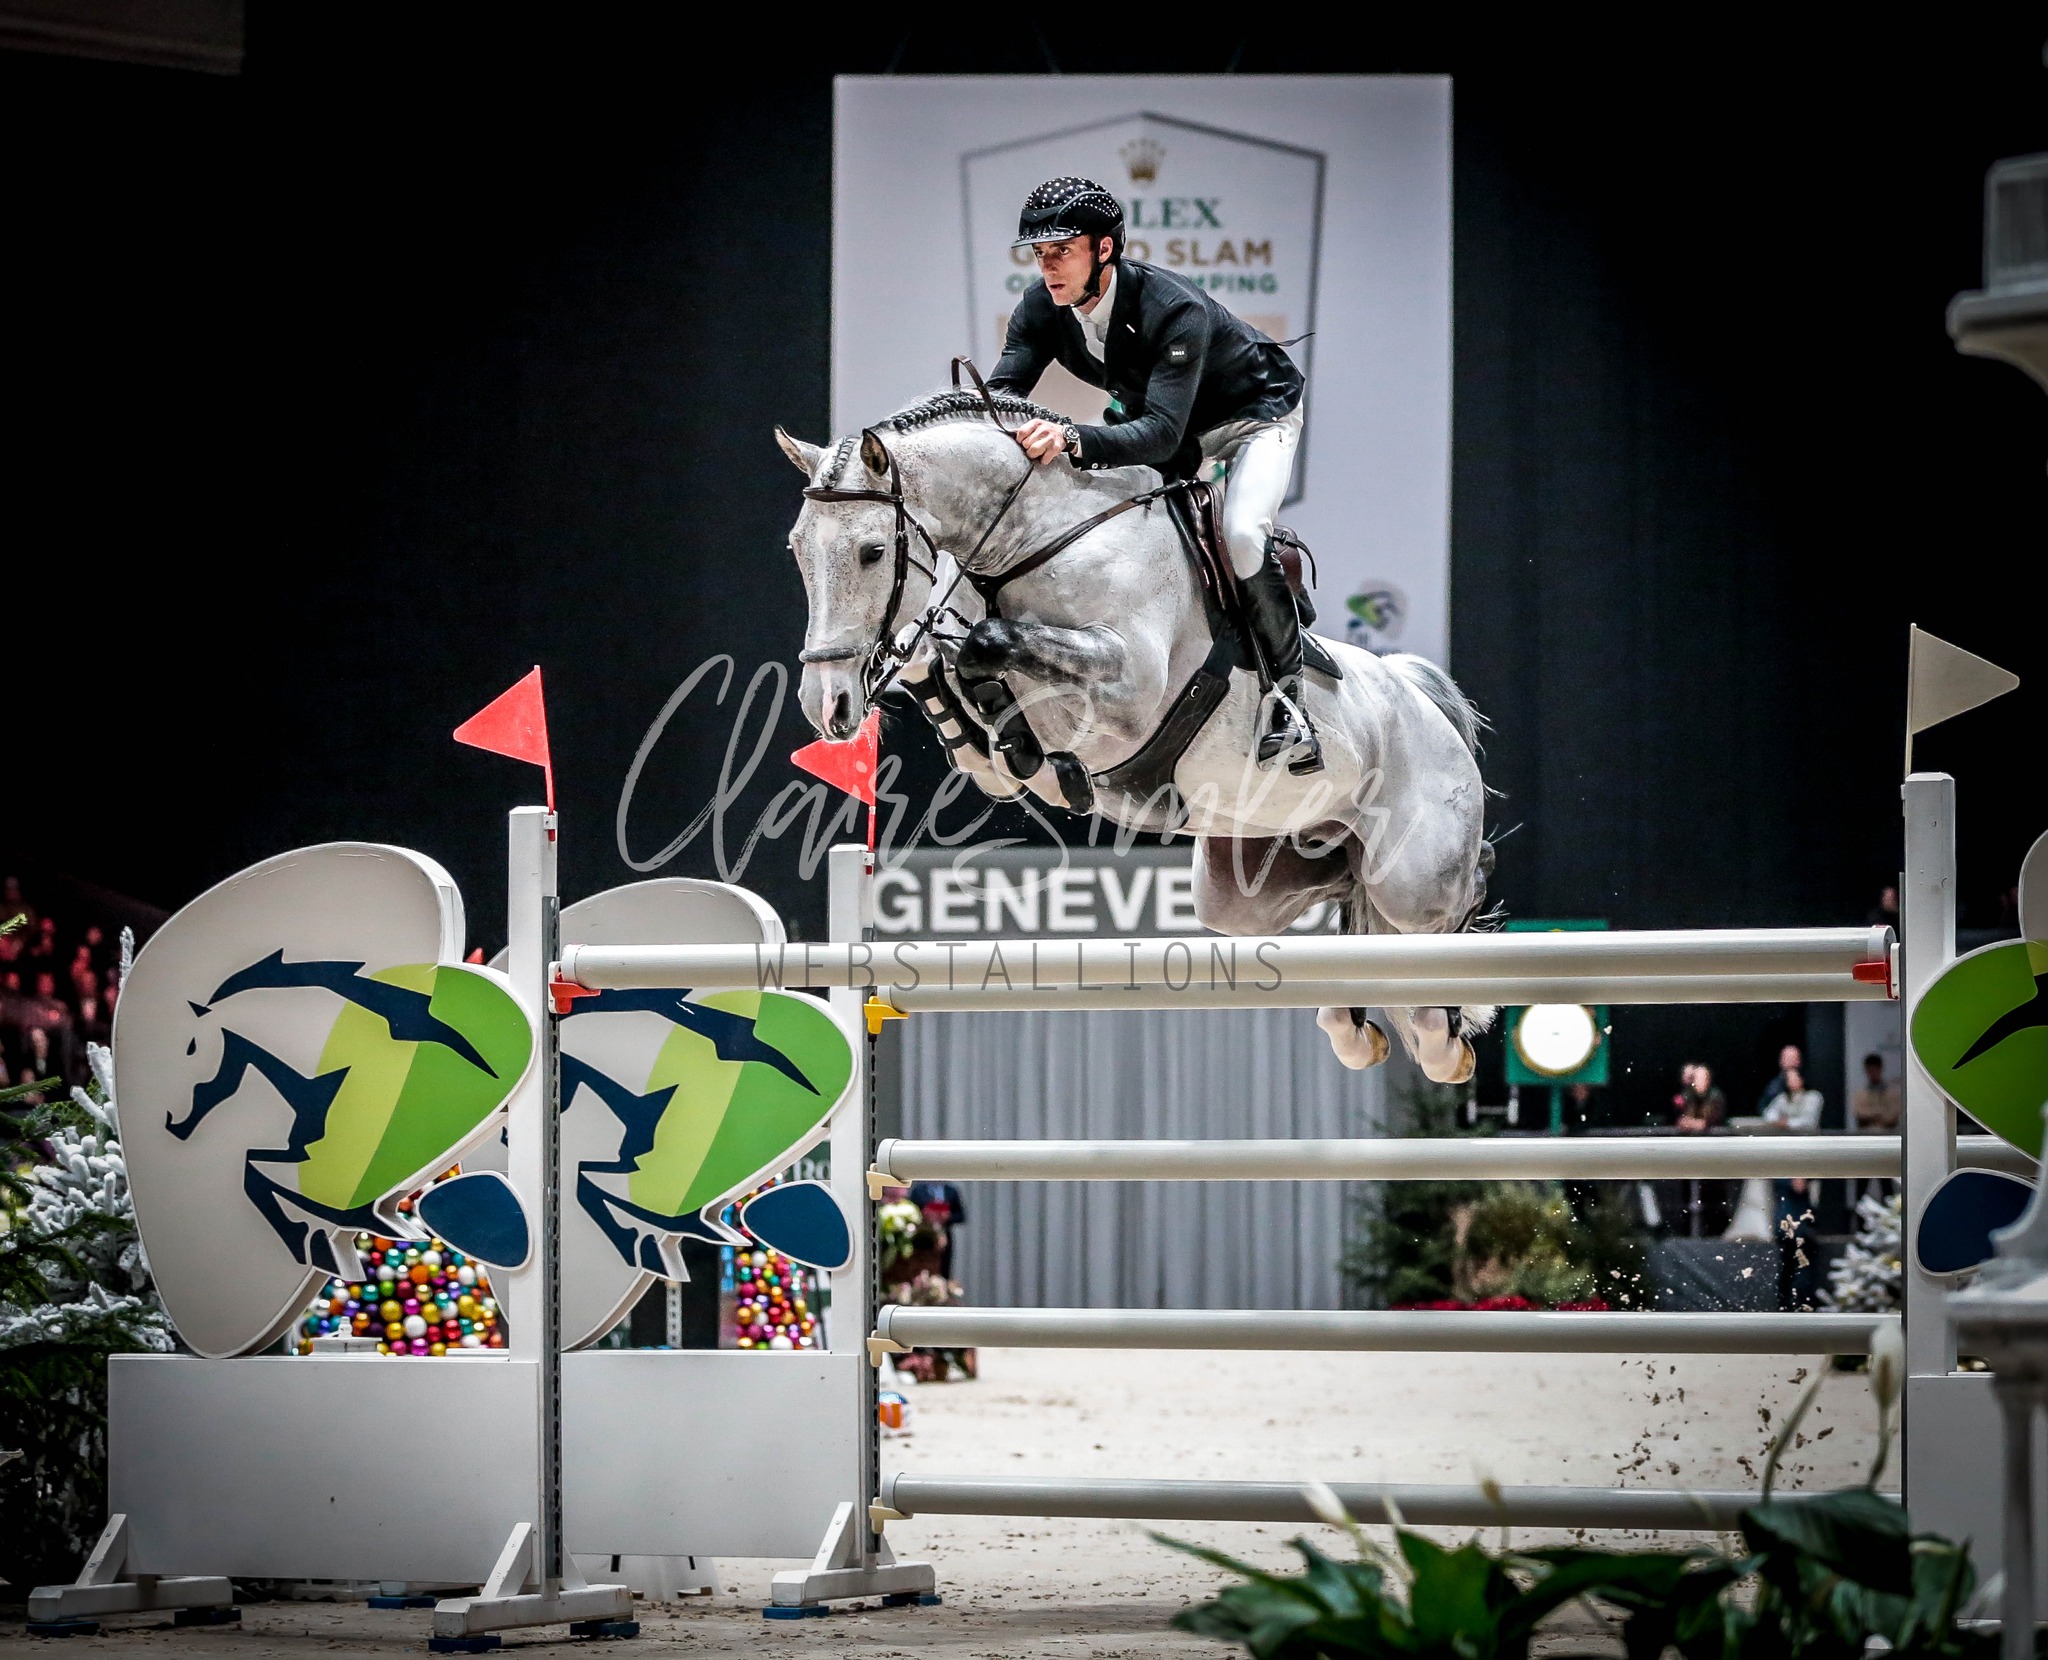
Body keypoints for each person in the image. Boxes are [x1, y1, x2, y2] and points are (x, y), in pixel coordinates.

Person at [988, 176, 1318, 772]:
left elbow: (1163, 436)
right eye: (1039, 253)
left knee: (1243, 533)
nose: (1048, 266)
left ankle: (1289, 701)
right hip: (1167, 420)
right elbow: (1002, 396)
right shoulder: (1041, 308)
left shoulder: (1173, 307)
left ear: (1104, 249)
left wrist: (1069, 437)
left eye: (1062, 250)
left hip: (1252, 415)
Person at [1852, 1053, 1900, 1133]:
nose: (1873, 1074)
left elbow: (1893, 1116)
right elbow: (1859, 1113)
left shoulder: (1892, 1093)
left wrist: (1872, 1116)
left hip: (1888, 1134)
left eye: (1875, 1070)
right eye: (1870, 1070)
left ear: (1880, 1069)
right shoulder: (1860, 1094)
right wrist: (1879, 1114)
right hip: (1867, 1134)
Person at [1757, 1043, 1802, 1114]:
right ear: (1781, 1061)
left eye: (1794, 1058)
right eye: (1788, 1059)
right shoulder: (1775, 1085)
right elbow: (1764, 1106)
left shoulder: (1808, 1082)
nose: (1791, 1062)